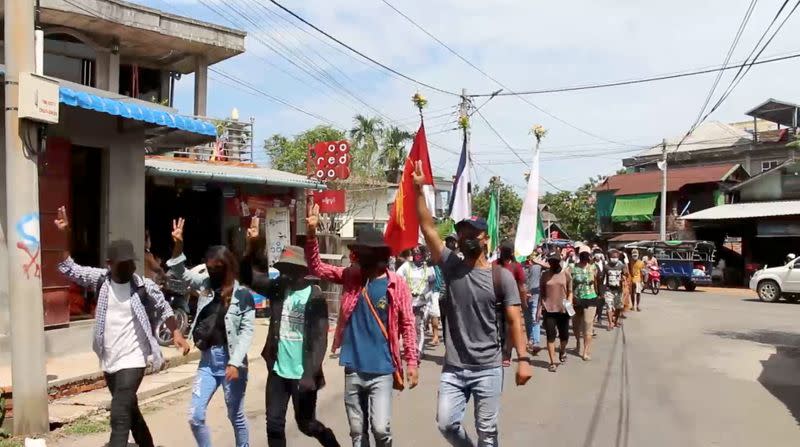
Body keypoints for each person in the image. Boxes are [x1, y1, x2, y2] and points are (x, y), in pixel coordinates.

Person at [412, 161, 532, 447]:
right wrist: (419, 190)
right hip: (454, 367)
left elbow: (515, 320)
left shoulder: (501, 276)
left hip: (488, 367)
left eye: (472, 235)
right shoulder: (452, 266)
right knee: (446, 423)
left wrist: (523, 360)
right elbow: (428, 228)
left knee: (487, 432)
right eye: (462, 235)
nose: (466, 239)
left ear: (485, 239)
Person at [54, 207, 190, 447]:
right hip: (110, 359)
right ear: (110, 264)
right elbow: (69, 268)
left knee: (119, 414)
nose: (130, 268)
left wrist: (177, 333)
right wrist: (65, 234)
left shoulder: (144, 286)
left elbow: (165, 309)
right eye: (124, 264)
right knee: (130, 409)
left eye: (131, 263)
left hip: (134, 359)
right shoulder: (99, 280)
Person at [305, 204, 418, 447]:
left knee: (380, 429)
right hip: (353, 367)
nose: (359, 258)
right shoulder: (351, 277)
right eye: (359, 253)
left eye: (365, 253)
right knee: (357, 432)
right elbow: (317, 268)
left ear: (380, 256)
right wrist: (312, 235)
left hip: (383, 369)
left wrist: (411, 362)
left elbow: (408, 324)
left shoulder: (395, 284)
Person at [167, 218, 255, 447]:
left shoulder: (242, 295)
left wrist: (235, 363)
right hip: (207, 362)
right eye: (208, 266)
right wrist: (178, 244)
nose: (210, 270)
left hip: (231, 362)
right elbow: (180, 272)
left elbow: (246, 332)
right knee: (195, 416)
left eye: (215, 267)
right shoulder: (205, 283)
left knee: (235, 415)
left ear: (226, 266)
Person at [257, 243, 339, 447]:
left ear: (303, 271)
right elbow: (251, 278)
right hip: (278, 370)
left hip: (303, 374)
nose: (287, 275)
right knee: (274, 424)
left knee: (306, 423)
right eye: (284, 270)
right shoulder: (279, 289)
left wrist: (310, 374)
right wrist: (254, 244)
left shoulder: (315, 296)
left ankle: (328, 440)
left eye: (292, 270)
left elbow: (320, 339)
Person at [397, 246, 437, 357]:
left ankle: (418, 350)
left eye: (419, 254)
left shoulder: (428, 268)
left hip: (422, 303)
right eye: (415, 254)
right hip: (408, 303)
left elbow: (432, 284)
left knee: (418, 326)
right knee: (409, 326)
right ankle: (410, 347)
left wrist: (426, 295)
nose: (417, 256)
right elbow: (397, 278)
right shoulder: (406, 266)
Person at [494, 239, 529, 367]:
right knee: (497, 327)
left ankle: (507, 353)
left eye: (506, 251)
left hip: (512, 303)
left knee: (509, 329)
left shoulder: (516, 266)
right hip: (496, 302)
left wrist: (523, 302)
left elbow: (522, 286)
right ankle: (498, 351)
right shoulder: (494, 265)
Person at [537, 251, 572, 372]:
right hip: (549, 309)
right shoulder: (545, 275)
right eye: (551, 261)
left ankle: (562, 350)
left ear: (559, 261)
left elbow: (570, 291)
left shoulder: (566, 274)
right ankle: (552, 362)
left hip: (563, 310)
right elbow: (541, 293)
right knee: (550, 336)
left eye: (555, 261)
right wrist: (539, 309)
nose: (553, 263)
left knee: (564, 336)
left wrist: (569, 303)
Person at [571, 246, 598, 361]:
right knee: (576, 326)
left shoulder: (593, 267)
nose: (584, 256)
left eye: (586, 254)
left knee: (588, 324)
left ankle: (586, 351)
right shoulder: (572, 268)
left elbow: (598, 280)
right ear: (579, 255)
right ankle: (578, 342)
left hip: (590, 298)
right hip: (576, 300)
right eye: (582, 254)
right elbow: (568, 284)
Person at [523, 252, 548, 355]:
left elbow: (550, 267)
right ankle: (530, 340)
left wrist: (538, 261)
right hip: (524, 296)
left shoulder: (537, 267)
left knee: (534, 318)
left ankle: (536, 343)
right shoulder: (521, 266)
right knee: (527, 319)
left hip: (535, 296)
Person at [604, 249, 627, 329]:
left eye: (616, 257)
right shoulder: (606, 266)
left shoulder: (621, 266)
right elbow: (602, 278)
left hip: (618, 290)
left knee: (618, 307)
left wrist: (624, 277)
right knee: (609, 306)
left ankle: (615, 321)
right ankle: (610, 323)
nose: (614, 258)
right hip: (609, 289)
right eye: (612, 257)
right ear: (609, 257)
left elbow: (626, 274)